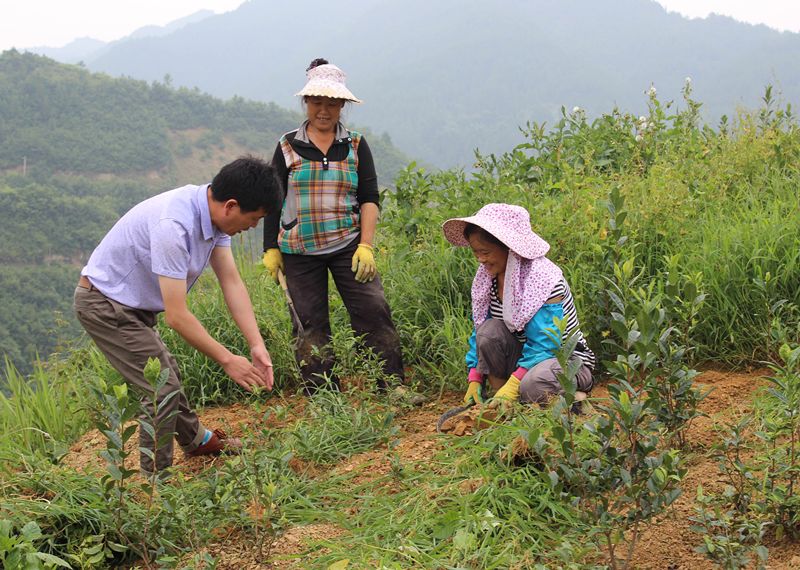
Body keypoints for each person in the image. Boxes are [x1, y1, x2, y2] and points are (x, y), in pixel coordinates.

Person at [74, 156, 282, 475]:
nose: (252, 228)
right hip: (105, 304)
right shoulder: (174, 225)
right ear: (231, 205)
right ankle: (153, 482)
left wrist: (256, 344)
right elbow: (177, 317)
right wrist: (228, 359)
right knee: (161, 388)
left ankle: (197, 440)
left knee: (166, 373)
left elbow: (231, 281)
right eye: (253, 219)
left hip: (133, 305)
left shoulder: (214, 217)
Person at [262, 58, 404, 394]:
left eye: (332, 104)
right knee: (309, 324)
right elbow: (273, 199)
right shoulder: (287, 146)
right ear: (306, 103)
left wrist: (366, 245)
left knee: (373, 311)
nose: (323, 111)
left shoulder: (355, 145)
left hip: (348, 246)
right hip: (299, 250)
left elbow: (369, 197)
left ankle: (390, 385)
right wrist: (271, 248)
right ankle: (323, 395)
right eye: (316, 103)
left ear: (342, 106)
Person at [442, 203, 595, 408]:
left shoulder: (544, 280)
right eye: (476, 252)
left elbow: (546, 343)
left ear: (509, 248)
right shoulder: (488, 279)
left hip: (563, 360)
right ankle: (502, 402)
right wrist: (475, 377)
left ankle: (572, 395)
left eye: (485, 252)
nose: (480, 259)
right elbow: (480, 329)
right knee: (488, 332)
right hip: (524, 357)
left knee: (533, 385)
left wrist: (515, 384)